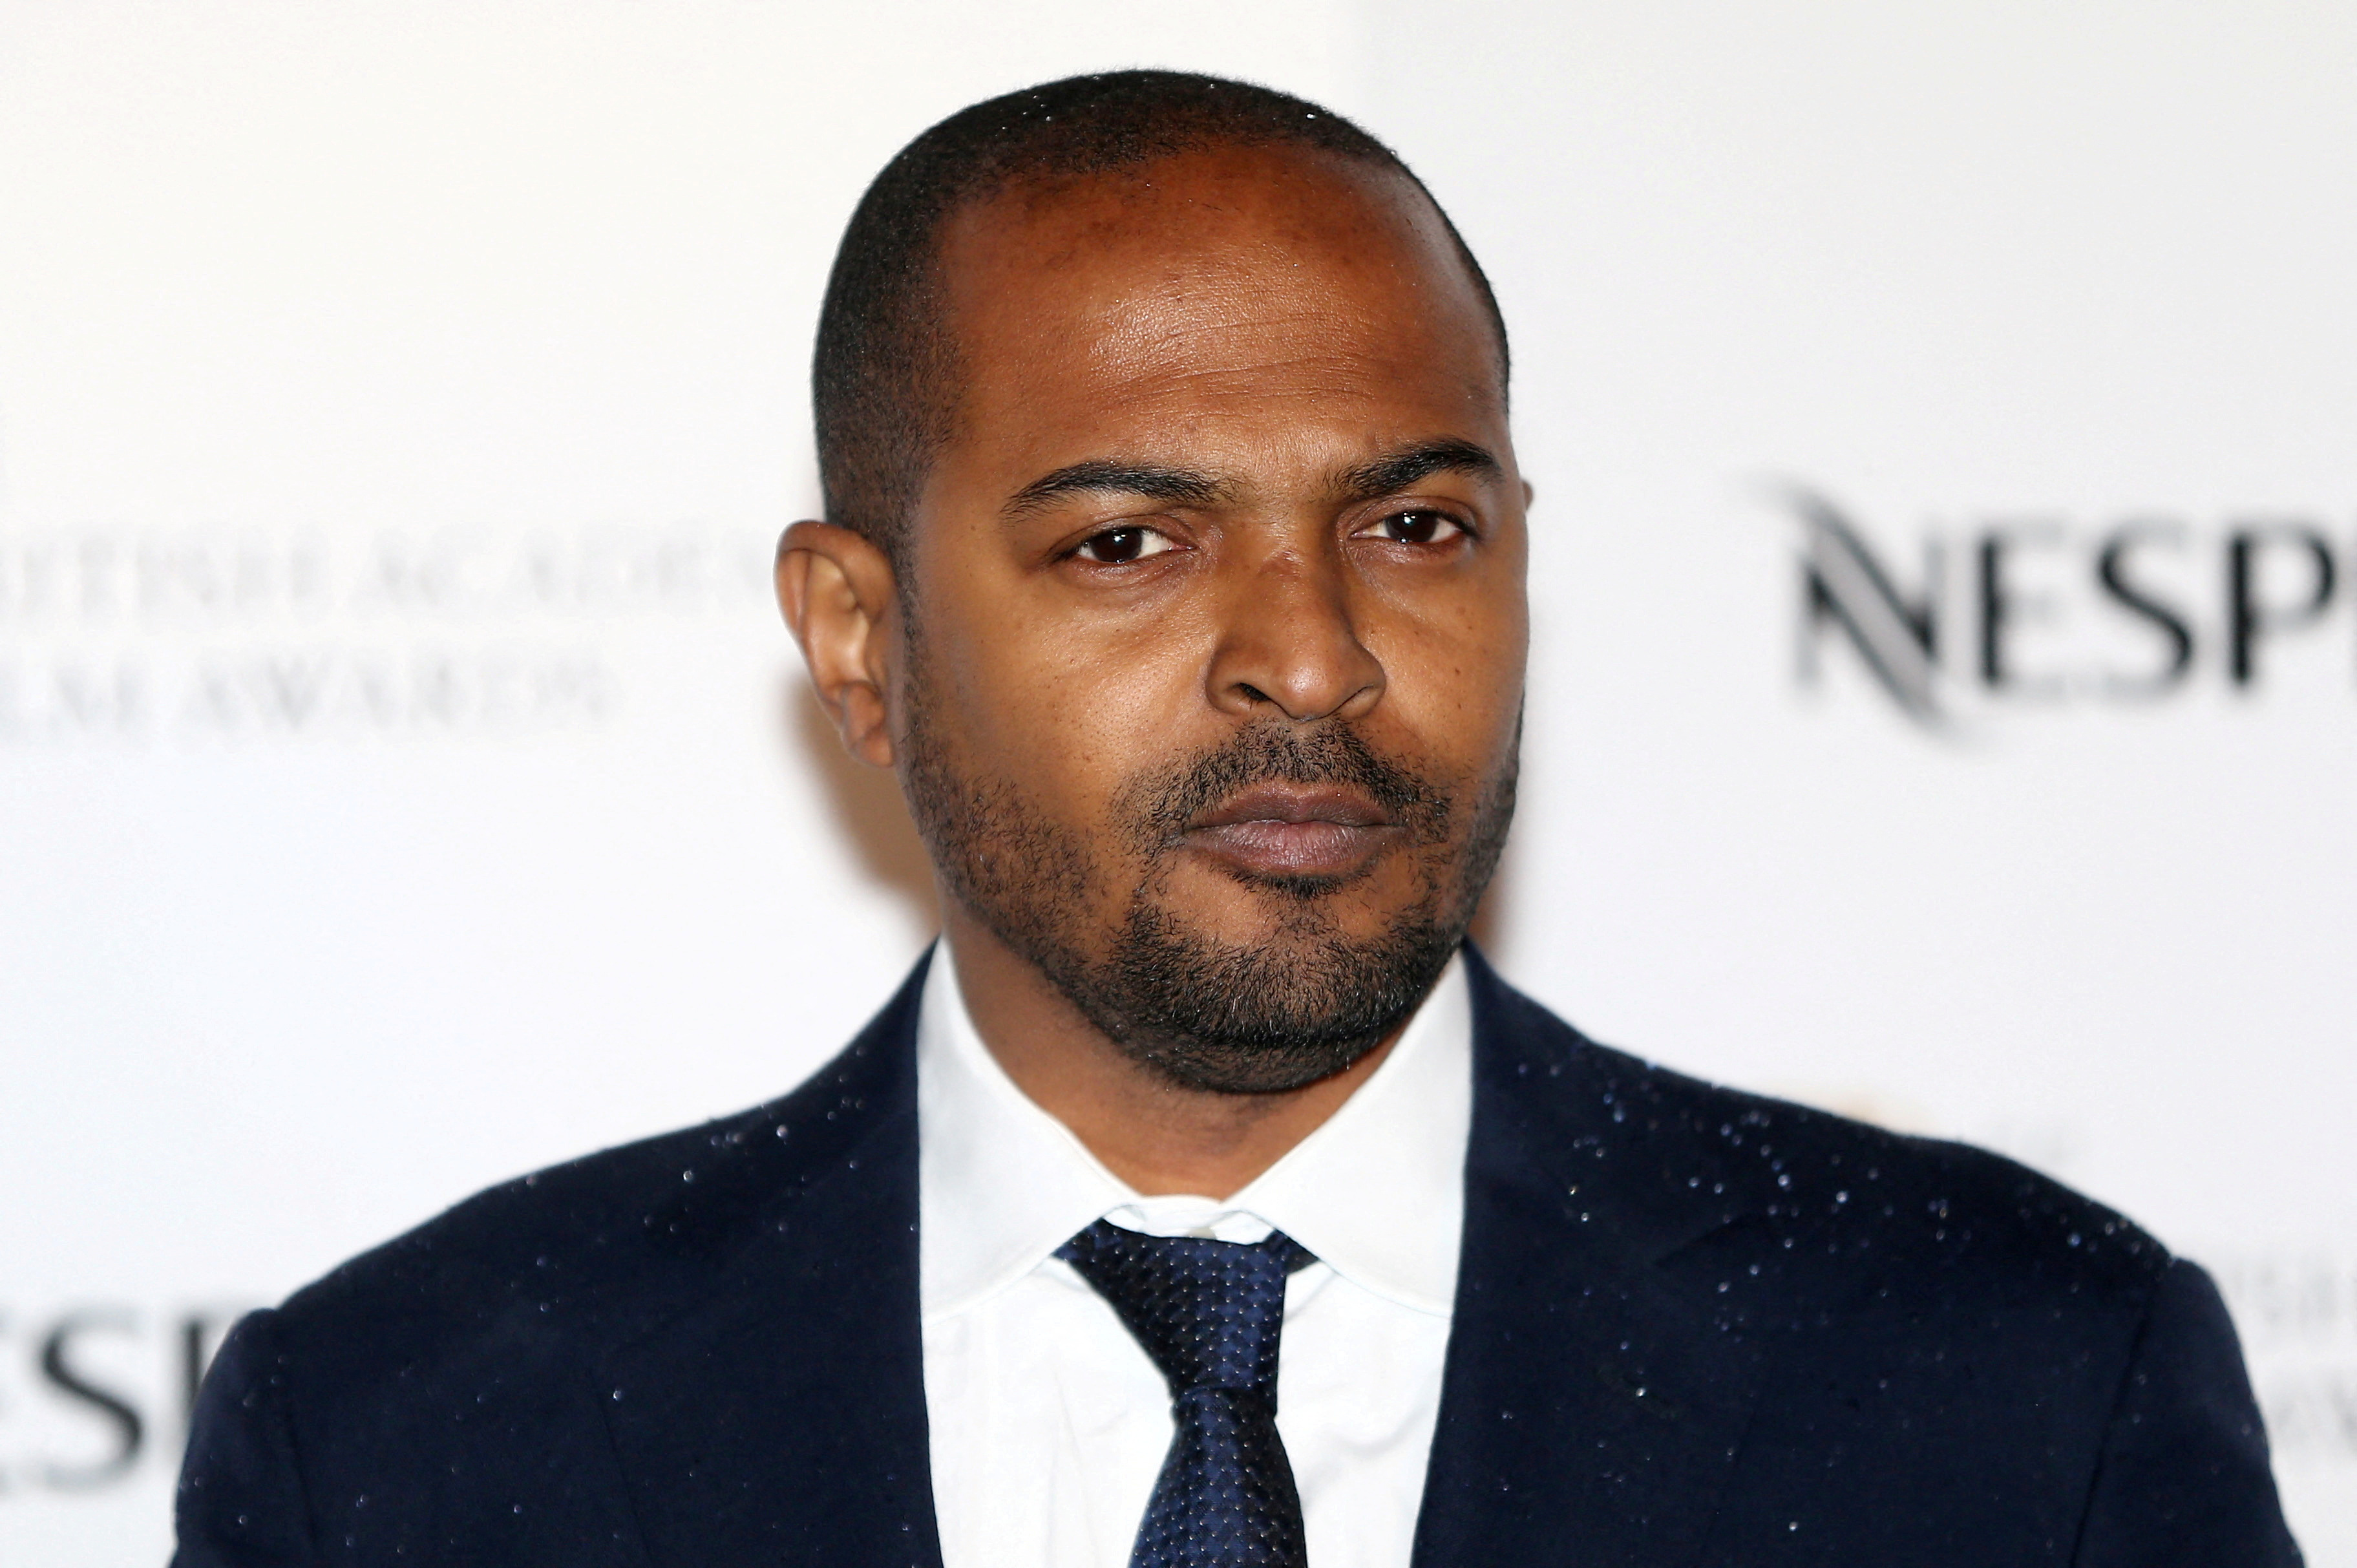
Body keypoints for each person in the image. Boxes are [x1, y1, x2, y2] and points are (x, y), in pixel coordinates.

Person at [173, 70, 2301, 1568]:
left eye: (1415, 523)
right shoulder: (402, 1442)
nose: (1313, 656)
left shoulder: (2024, 1384)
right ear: (858, 635)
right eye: (1129, 542)